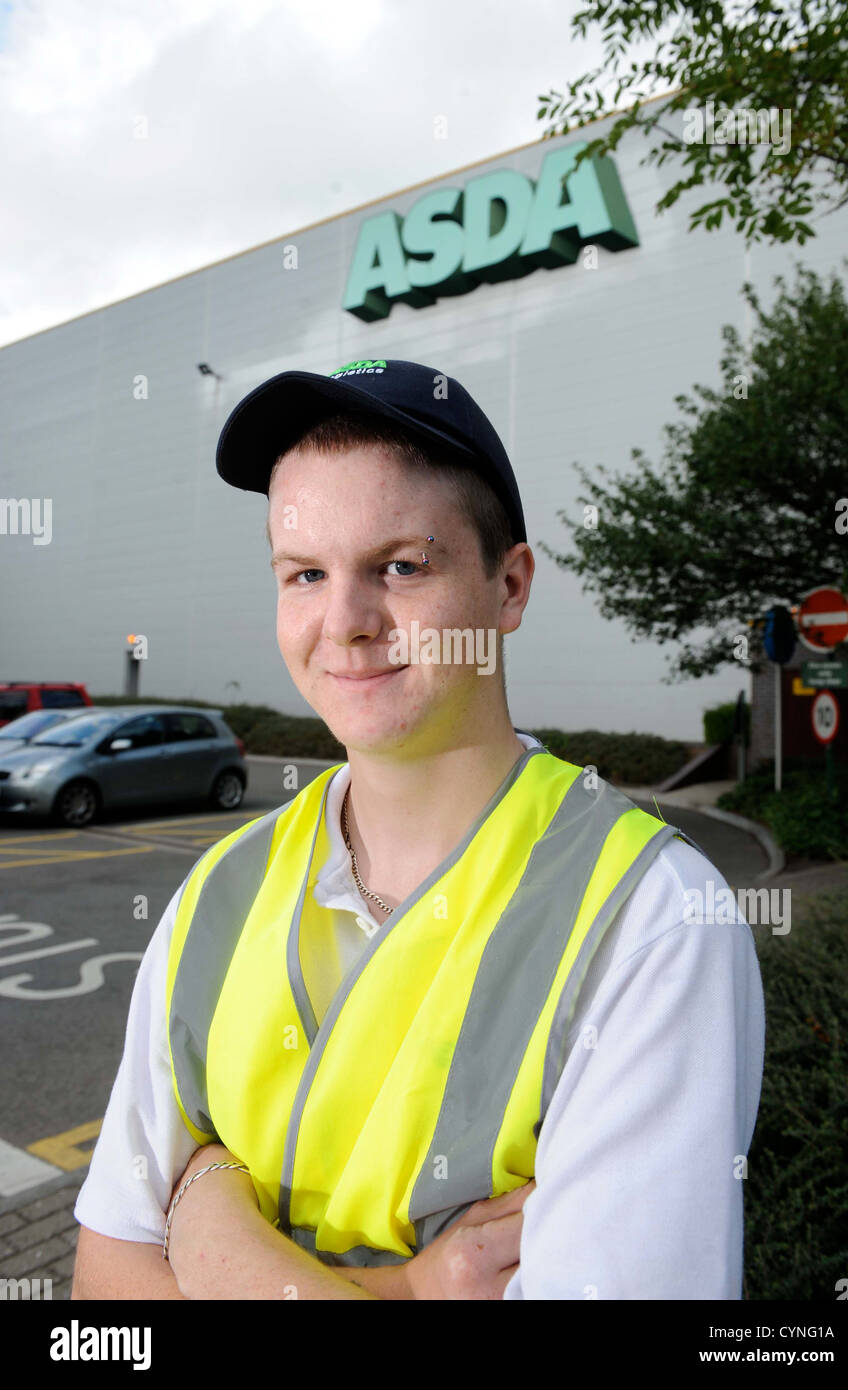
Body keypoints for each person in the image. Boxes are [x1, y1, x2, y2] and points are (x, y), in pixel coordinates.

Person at [72, 357, 765, 1300]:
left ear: (510, 588)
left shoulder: (650, 919)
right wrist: (410, 1289)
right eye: (305, 573)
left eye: (401, 566)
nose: (346, 621)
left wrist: (206, 1212)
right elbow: (106, 1287)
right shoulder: (216, 894)